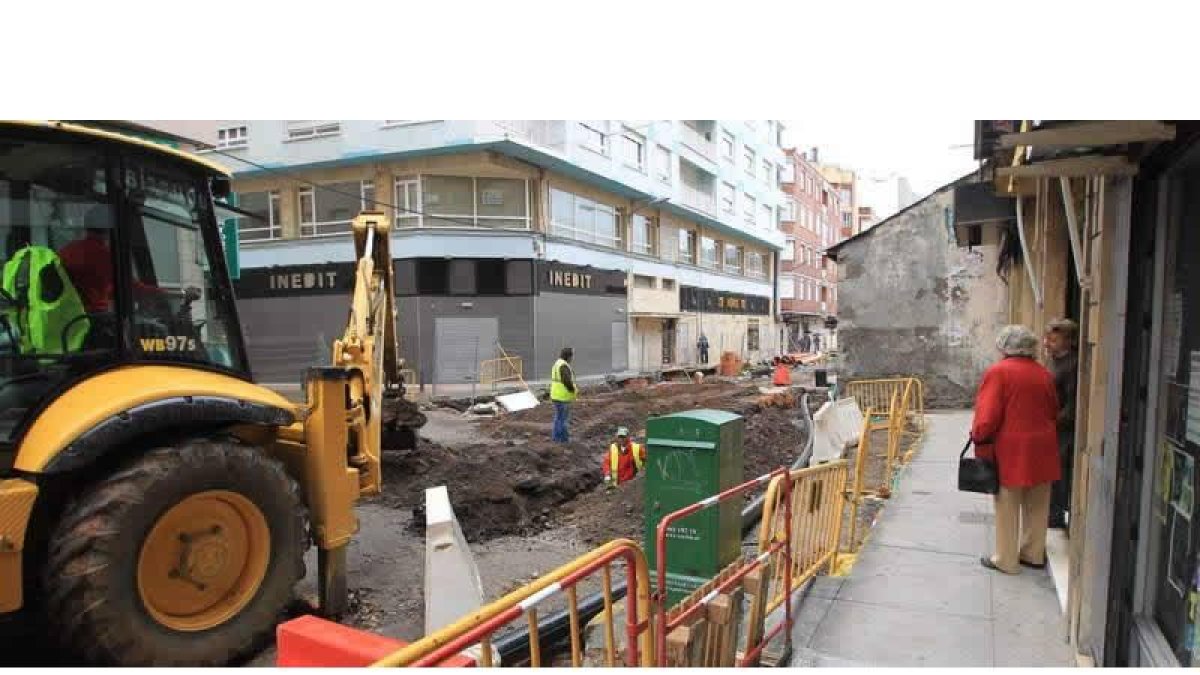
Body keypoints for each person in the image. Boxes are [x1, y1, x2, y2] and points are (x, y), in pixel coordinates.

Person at [972, 325, 1061, 575]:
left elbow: (987, 416)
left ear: (1005, 347)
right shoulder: (1043, 373)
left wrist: (978, 437)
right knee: (1038, 503)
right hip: (1043, 445)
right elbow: (1054, 409)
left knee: (1007, 503)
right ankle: (1033, 553)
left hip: (1012, 448)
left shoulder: (999, 372)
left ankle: (1006, 559)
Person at [1044, 319, 1079, 531]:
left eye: (1053, 340)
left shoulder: (1072, 365)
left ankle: (1056, 514)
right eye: (1047, 338)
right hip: (1049, 426)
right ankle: (1051, 512)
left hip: (1061, 428)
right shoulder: (1052, 360)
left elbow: (1073, 403)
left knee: (1059, 471)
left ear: (1069, 341)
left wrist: (1053, 423)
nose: (1047, 343)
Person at [550, 347, 577, 443]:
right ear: (568, 356)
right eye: (572, 355)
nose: (572, 358)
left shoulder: (557, 363)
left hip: (556, 395)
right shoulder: (563, 365)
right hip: (562, 397)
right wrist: (573, 389)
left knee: (558, 418)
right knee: (563, 420)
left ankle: (556, 439)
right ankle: (564, 440)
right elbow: (566, 381)